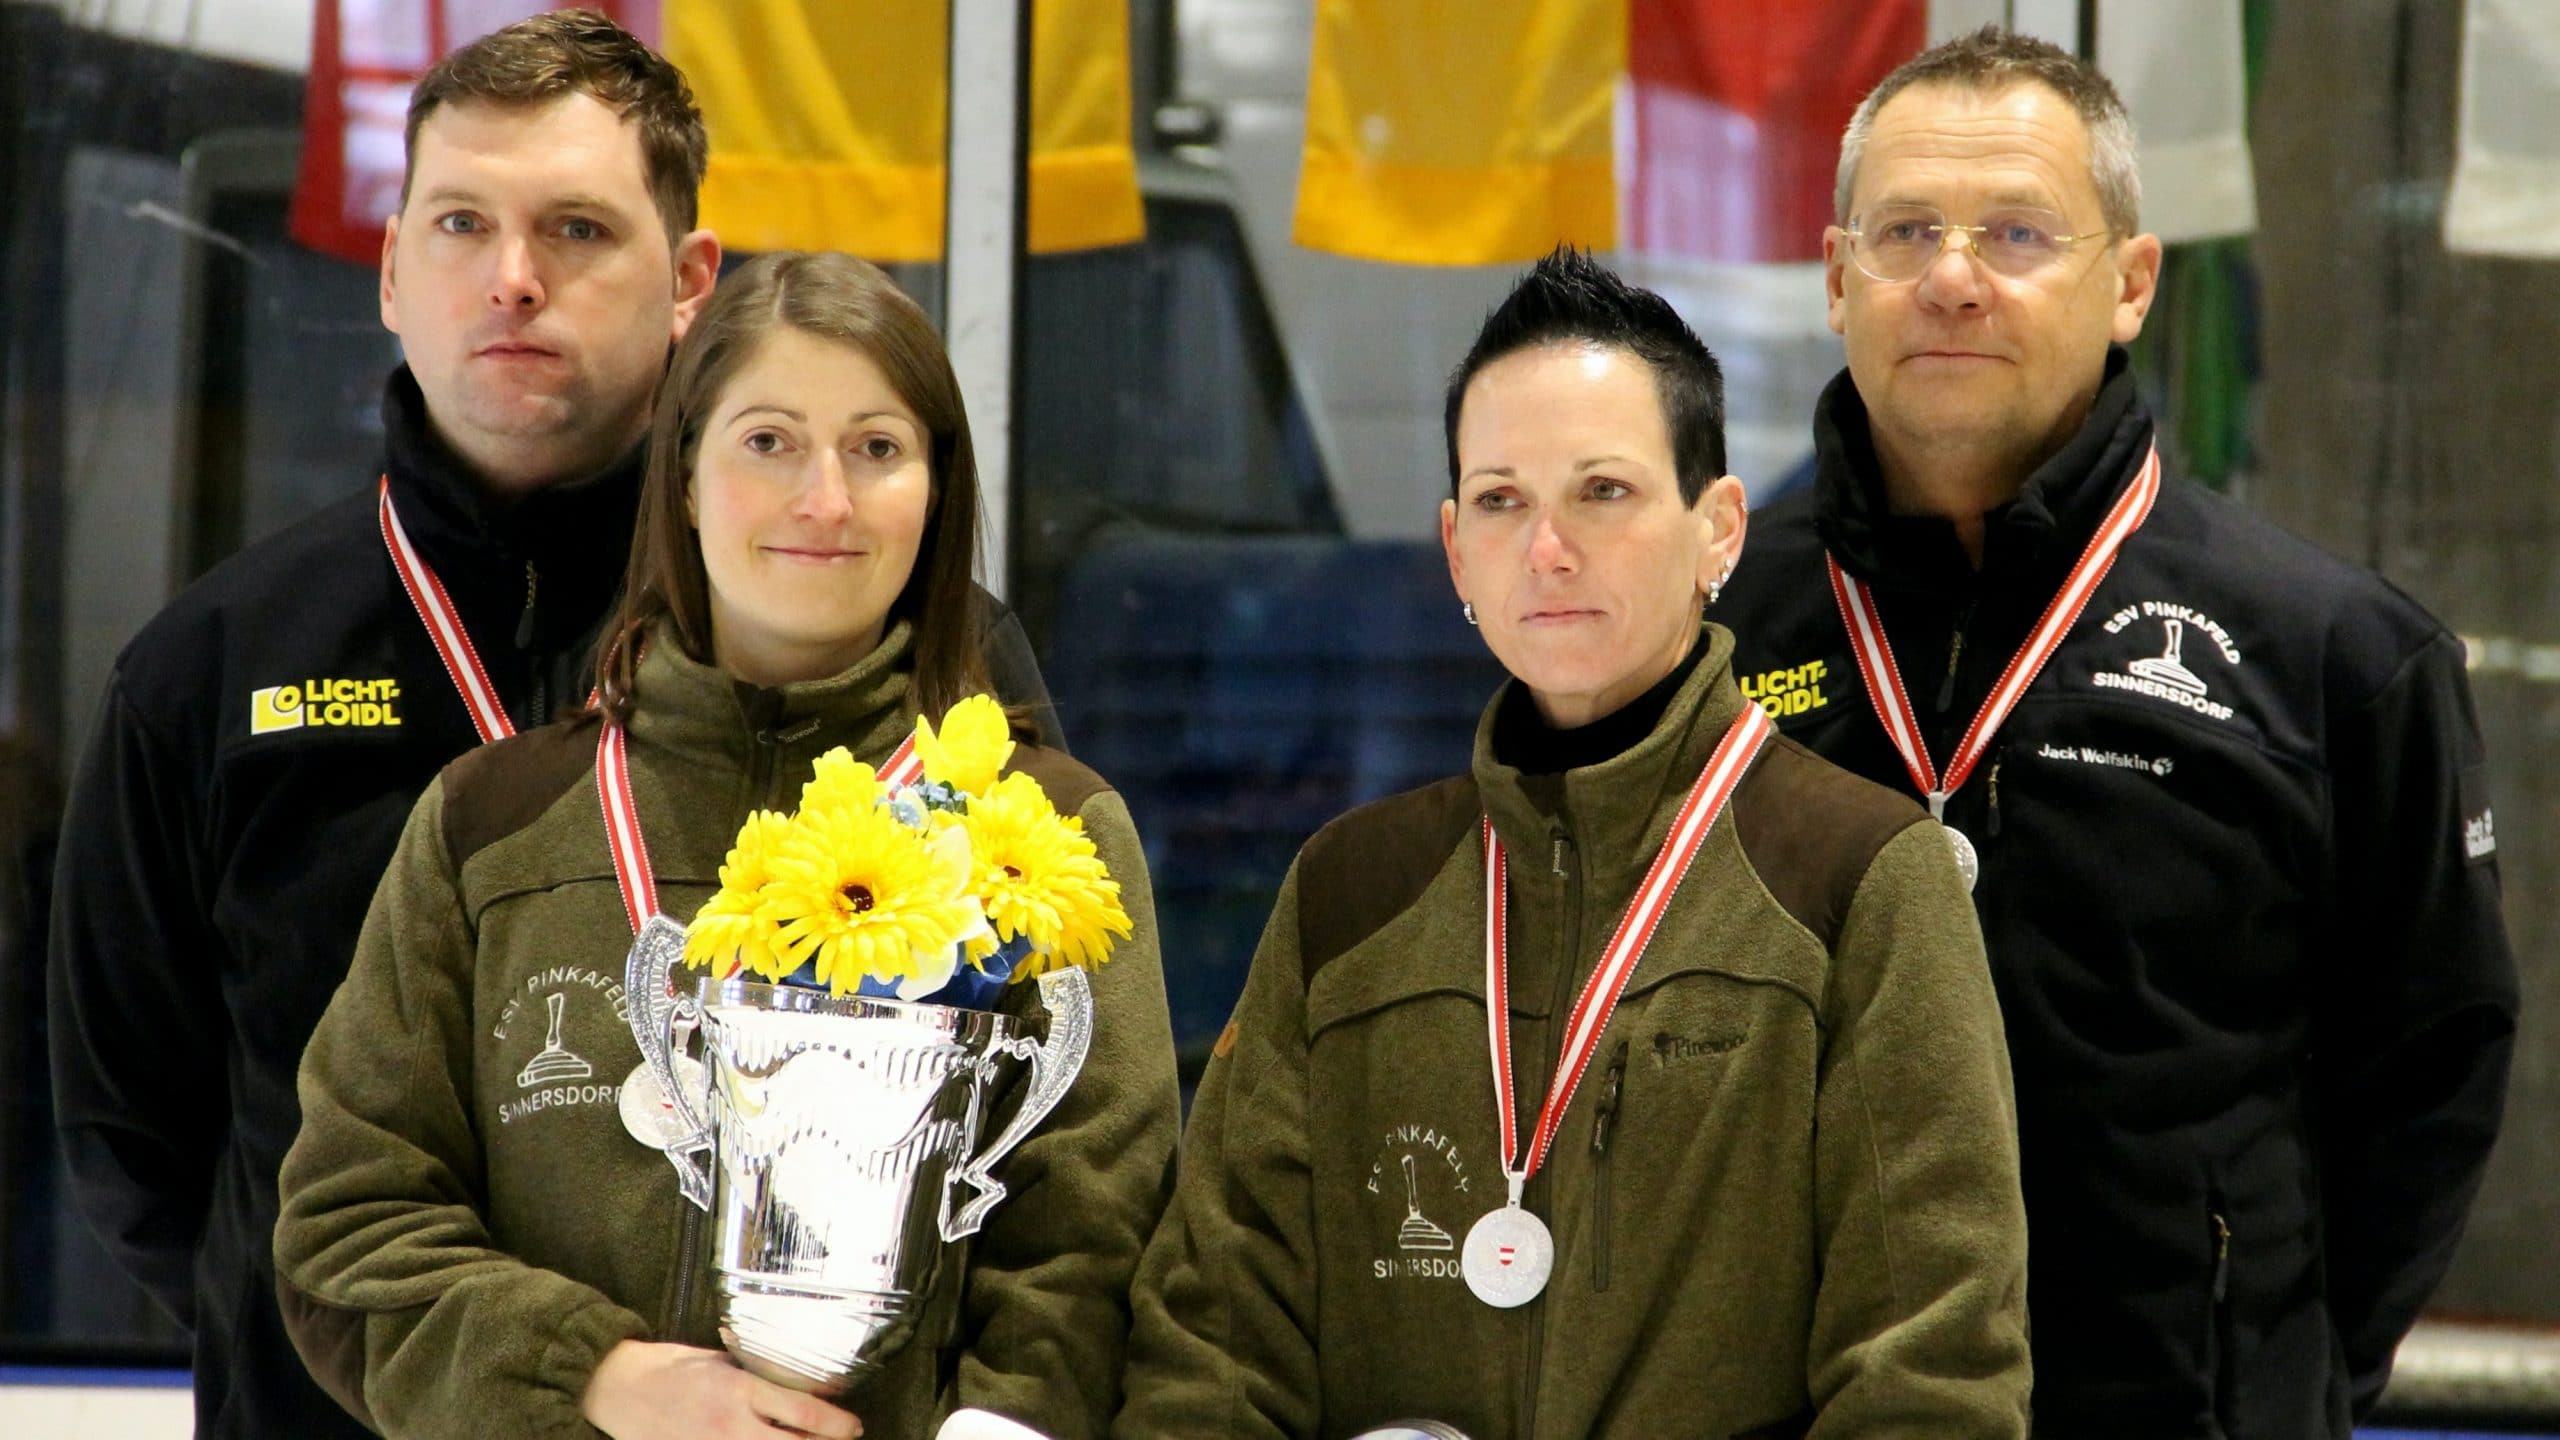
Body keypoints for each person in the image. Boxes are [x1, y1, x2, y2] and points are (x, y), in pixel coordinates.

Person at [46, 14, 1055, 1438]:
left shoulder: (906, 649)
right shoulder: (212, 671)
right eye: (461, 223)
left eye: (578, 229)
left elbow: (1031, 1105)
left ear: (693, 283)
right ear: (392, 269)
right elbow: (135, 1146)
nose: (512, 281)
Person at [1715, 27, 2520, 1438]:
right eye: (1906, 231)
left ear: (2131, 284)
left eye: (2018, 230)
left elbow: (2427, 1075)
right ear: (1840, 279)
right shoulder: (1707, 639)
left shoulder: (2334, 655)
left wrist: (2273, 1373)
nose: (1952, 275)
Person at [1115, 248, 2030, 1438]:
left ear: (1718, 531)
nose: (1546, 549)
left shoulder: (1855, 878)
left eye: (1603, 491)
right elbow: (1213, 1341)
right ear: (1453, 551)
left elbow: (1931, 1376)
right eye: (1500, 500)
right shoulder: (1352, 892)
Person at [273, 250, 1179, 1440]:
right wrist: (592, 1378)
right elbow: (350, 1228)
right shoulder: (489, 829)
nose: (825, 500)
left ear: (935, 490)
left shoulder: (1043, 838)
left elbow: (1097, 1246)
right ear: (685, 475)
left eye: (876, 448)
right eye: (767, 441)